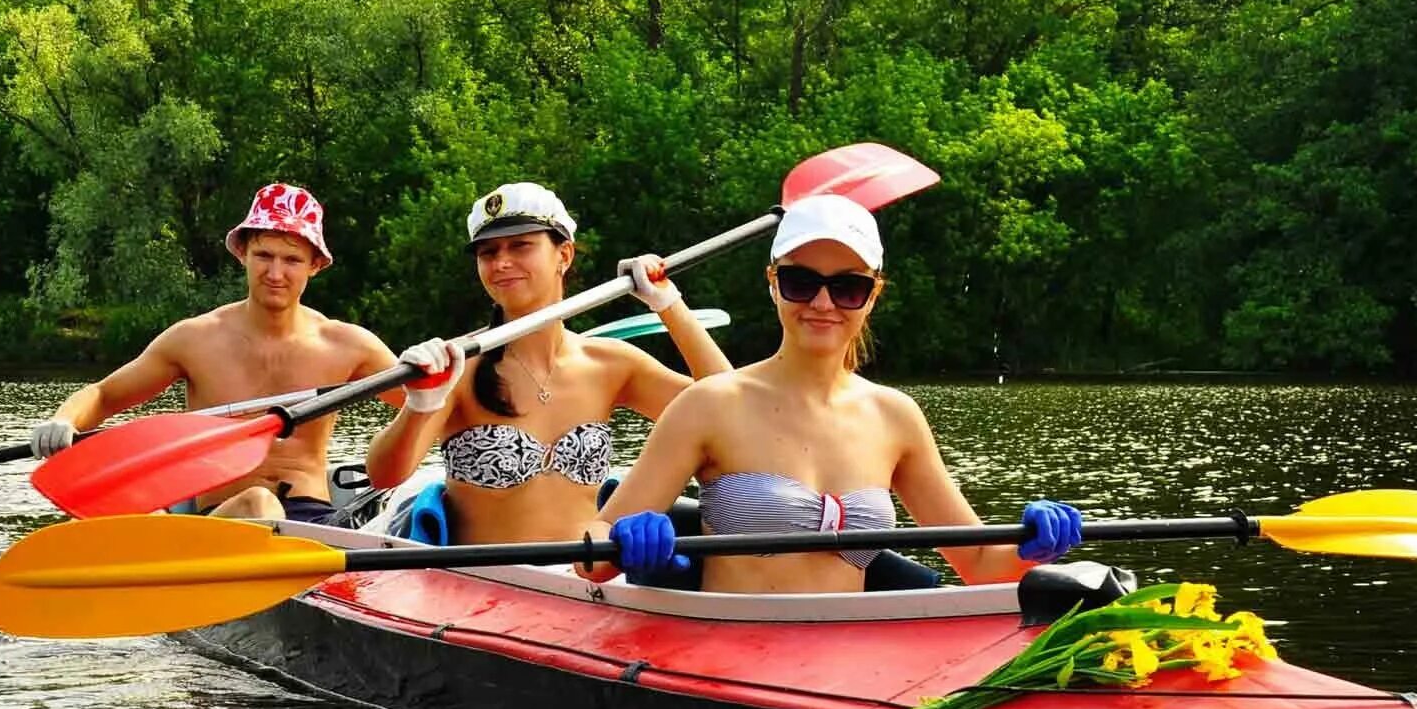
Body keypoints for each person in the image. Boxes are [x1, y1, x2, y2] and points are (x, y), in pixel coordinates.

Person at [583, 194, 1084, 592]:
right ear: (773, 283)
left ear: (873, 295)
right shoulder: (709, 404)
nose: (823, 303)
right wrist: (619, 542)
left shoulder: (896, 416)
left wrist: (1034, 547)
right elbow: (594, 554)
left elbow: (978, 563)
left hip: (846, 663)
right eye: (802, 282)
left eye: (847, 288)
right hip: (727, 658)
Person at [363, 182, 732, 544]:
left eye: (520, 245)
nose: (502, 262)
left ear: (564, 255)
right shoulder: (459, 366)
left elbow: (729, 409)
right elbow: (384, 476)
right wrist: (420, 404)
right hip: (481, 586)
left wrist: (669, 305)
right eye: (487, 253)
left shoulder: (611, 364)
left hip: (583, 584)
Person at [28, 182, 406, 524]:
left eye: (291, 260)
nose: (275, 273)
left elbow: (432, 408)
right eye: (264, 255)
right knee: (260, 504)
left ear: (315, 266)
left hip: (315, 522)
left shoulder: (349, 345)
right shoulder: (195, 338)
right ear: (242, 253)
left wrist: (437, 379)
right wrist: (64, 420)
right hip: (225, 518)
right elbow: (103, 394)